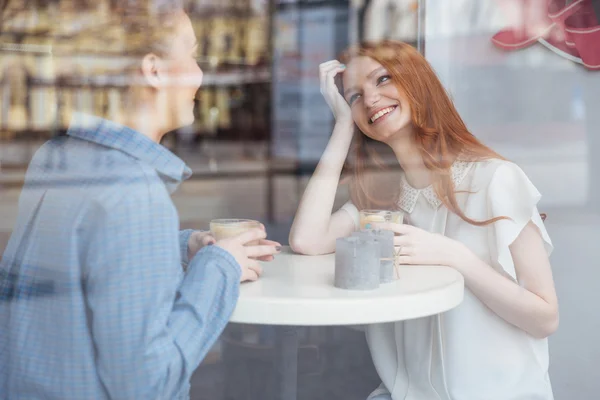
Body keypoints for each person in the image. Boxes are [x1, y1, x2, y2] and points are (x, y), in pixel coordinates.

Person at [0, 3, 280, 399]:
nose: (202, 75)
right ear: (154, 70)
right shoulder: (135, 192)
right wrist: (221, 268)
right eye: (194, 55)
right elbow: (148, 384)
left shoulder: (56, 155)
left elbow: (75, 268)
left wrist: (181, 246)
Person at [289, 40, 558, 400]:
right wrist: (341, 127)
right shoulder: (381, 196)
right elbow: (307, 240)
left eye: (382, 79)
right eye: (355, 96)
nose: (370, 100)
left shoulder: (496, 179)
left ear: (417, 82)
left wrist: (455, 256)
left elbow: (545, 318)